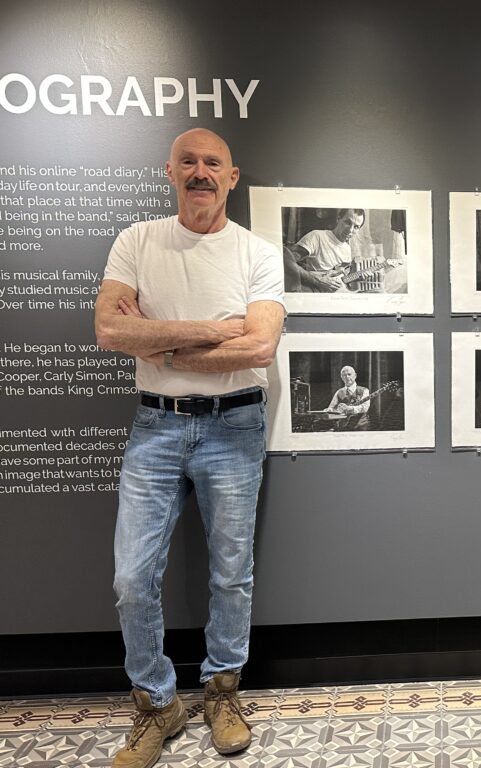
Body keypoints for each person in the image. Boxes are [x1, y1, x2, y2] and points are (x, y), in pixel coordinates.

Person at [94, 128, 286, 768]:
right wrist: (208, 331)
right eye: (189, 162)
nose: (200, 172)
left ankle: (223, 689)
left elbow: (259, 347)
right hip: (156, 425)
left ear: (232, 177)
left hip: (235, 425)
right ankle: (157, 703)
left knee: (231, 569)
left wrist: (160, 344)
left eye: (213, 163)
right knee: (130, 577)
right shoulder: (136, 241)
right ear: (169, 171)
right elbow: (109, 330)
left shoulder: (256, 253)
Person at [283, 208, 368, 292]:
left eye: (356, 227)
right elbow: (285, 259)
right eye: (347, 222)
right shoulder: (317, 236)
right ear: (338, 218)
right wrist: (315, 279)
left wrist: (357, 278)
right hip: (314, 296)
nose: (350, 230)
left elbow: (341, 280)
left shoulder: (347, 248)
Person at [324, 365, 371, 429]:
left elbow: (365, 408)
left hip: (361, 426)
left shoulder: (364, 390)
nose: (347, 377)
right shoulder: (339, 392)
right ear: (341, 377)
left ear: (355, 376)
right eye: (344, 375)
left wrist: (350, 408)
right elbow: (332, 408)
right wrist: (329, 410)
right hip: (343, 427)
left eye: (349, 374)